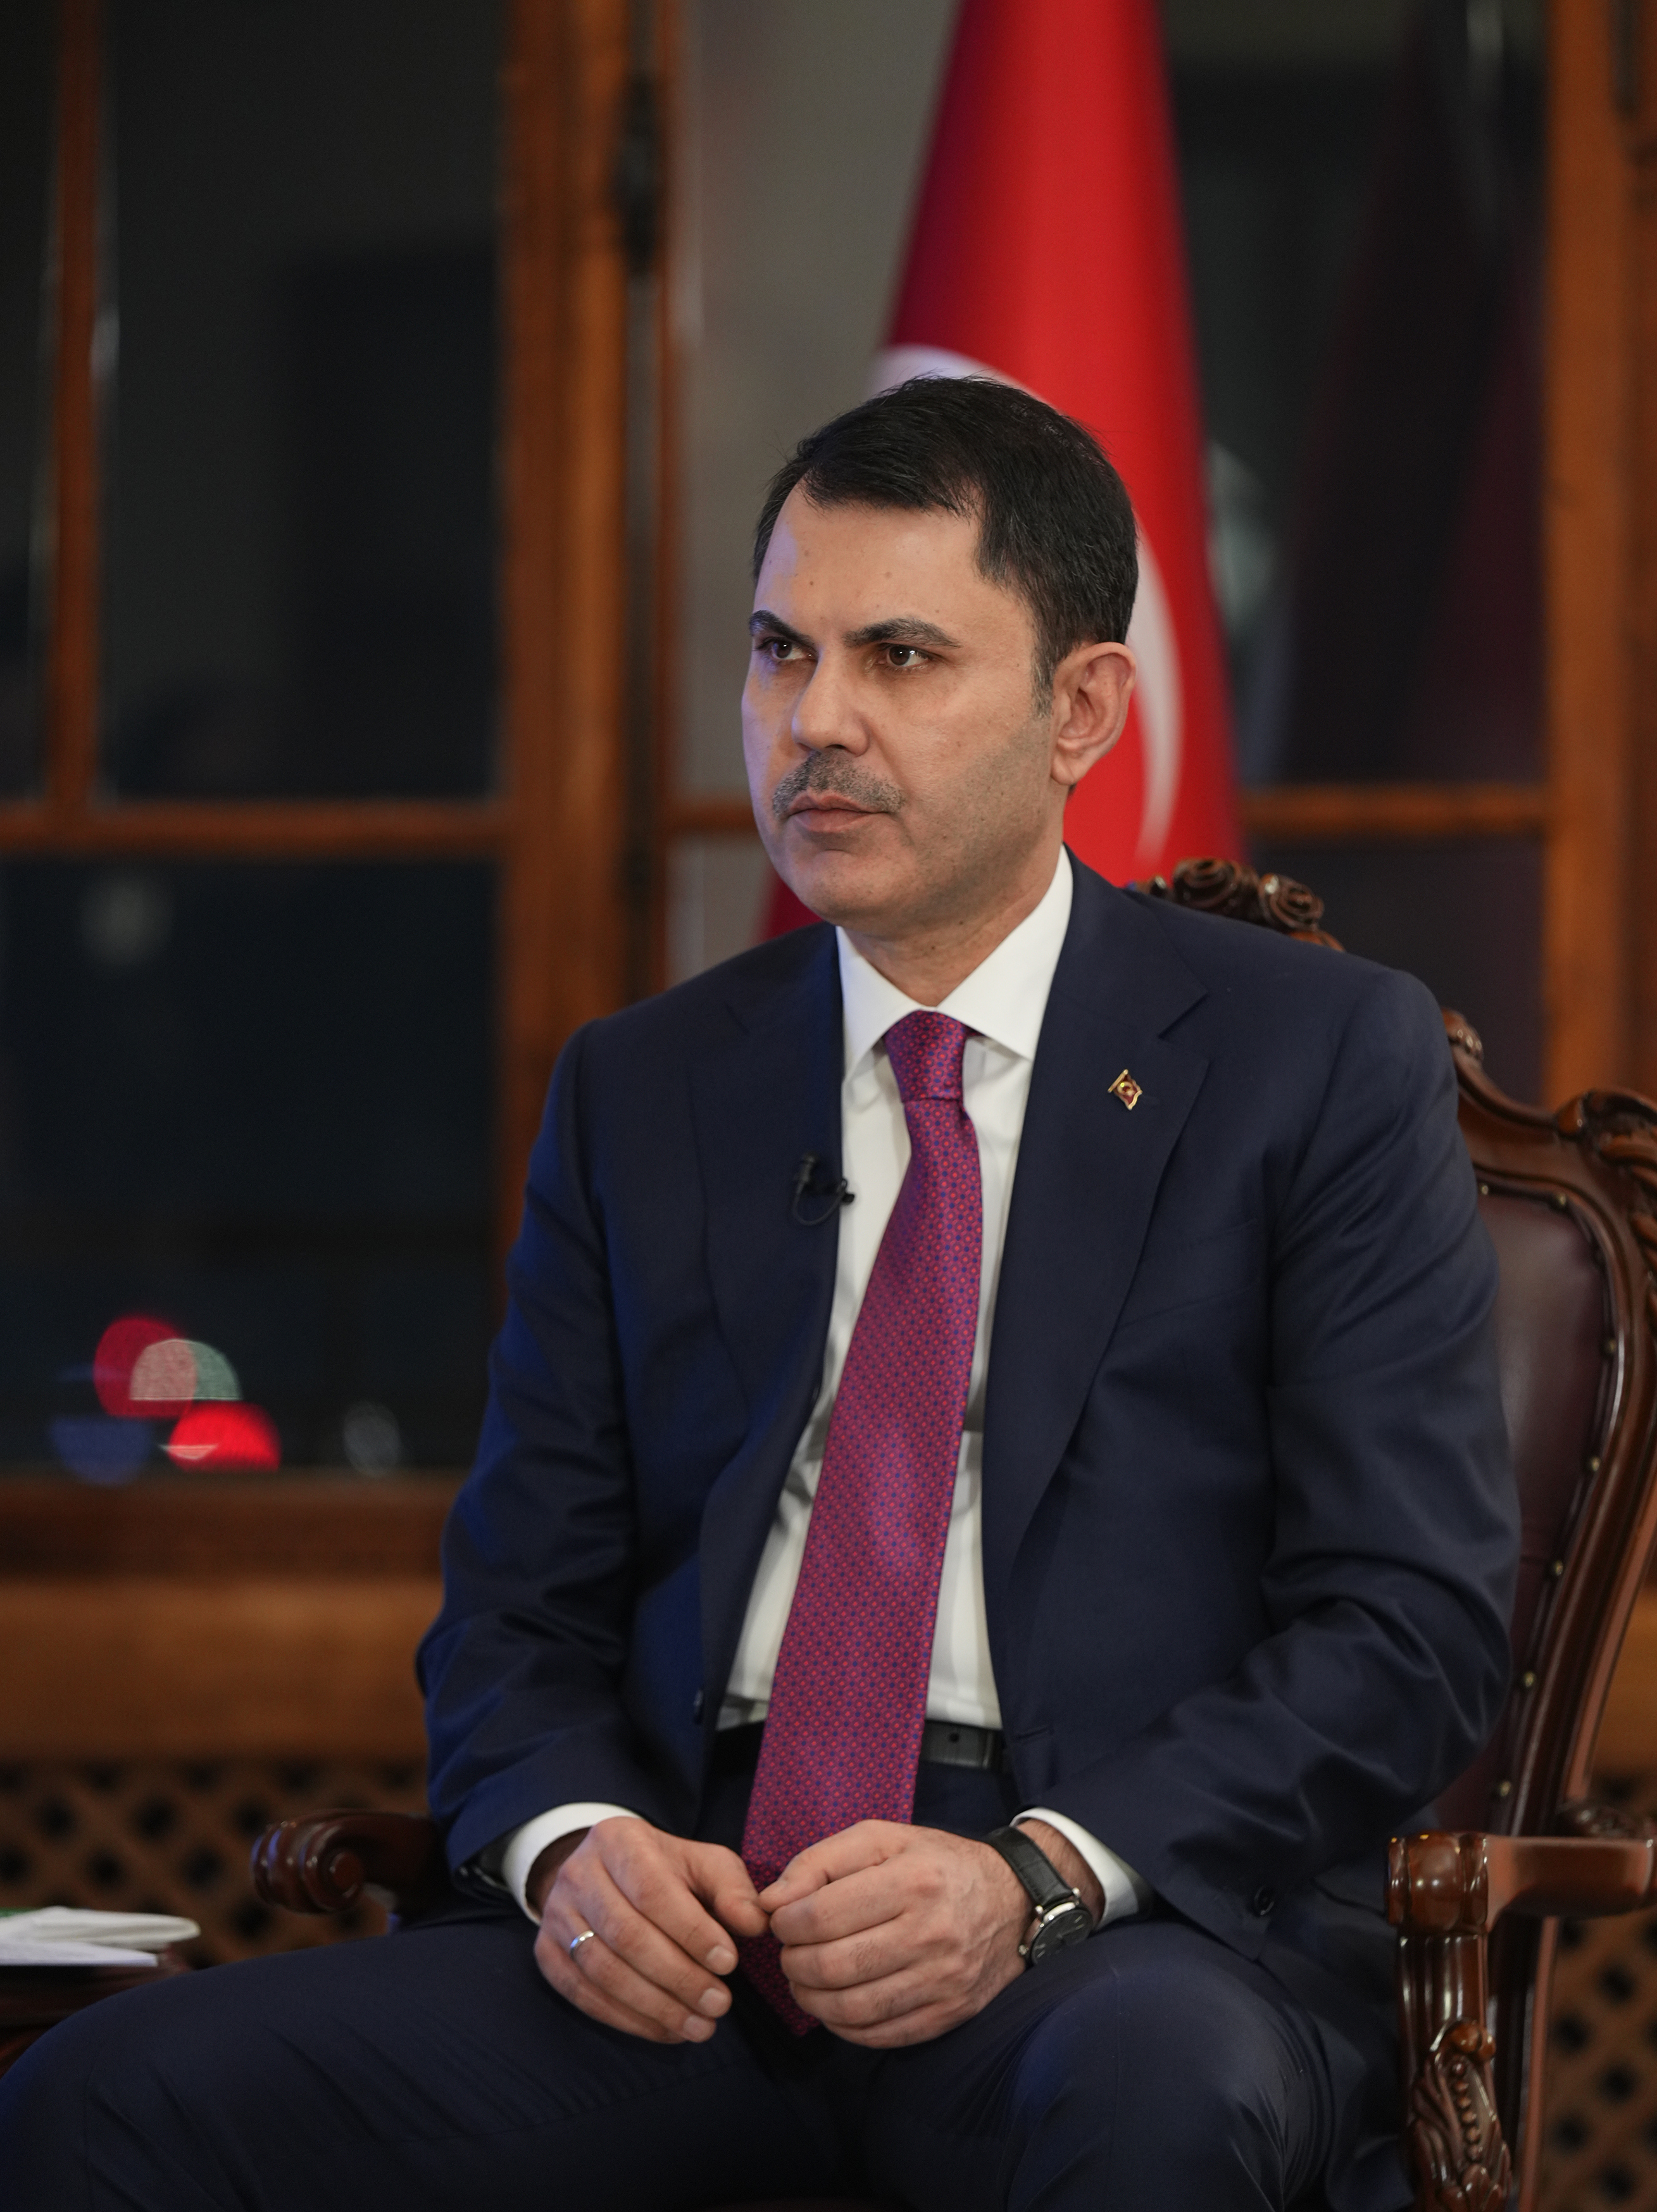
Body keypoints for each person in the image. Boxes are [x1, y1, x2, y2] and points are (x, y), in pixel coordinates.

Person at [0, 377, 1517, 2211]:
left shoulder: (1308, 1060)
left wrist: (1039, 1873)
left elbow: (1407, 1621)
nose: (814, 722)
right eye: (781, 651)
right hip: (697, 1926)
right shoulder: (645, 1087)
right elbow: (517, 1608)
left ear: (1083, 711)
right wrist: (574, 1848)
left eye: (899, 657)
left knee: (1155, 2096)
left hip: (1109, 1930)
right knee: (102, 2101)